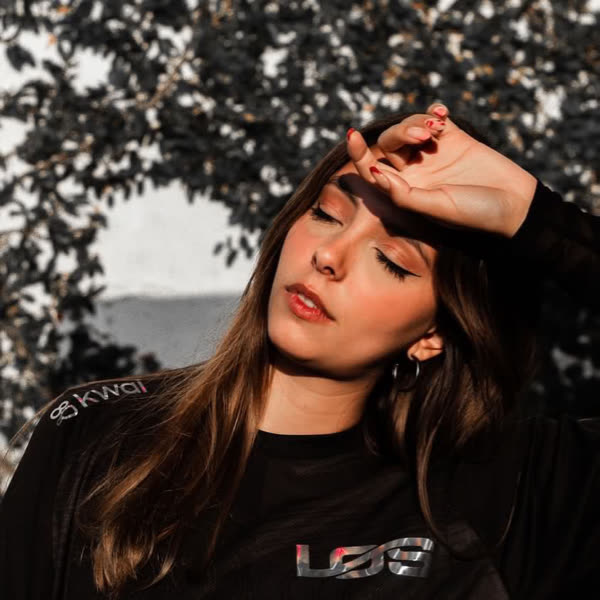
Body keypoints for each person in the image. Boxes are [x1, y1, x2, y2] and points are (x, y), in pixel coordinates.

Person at [0, 103, 598, 600]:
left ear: (434, 333)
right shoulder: (98, 436)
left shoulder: (503, 493)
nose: (328, 256)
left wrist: (532, 215)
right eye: (325, 214)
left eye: (391, 260)